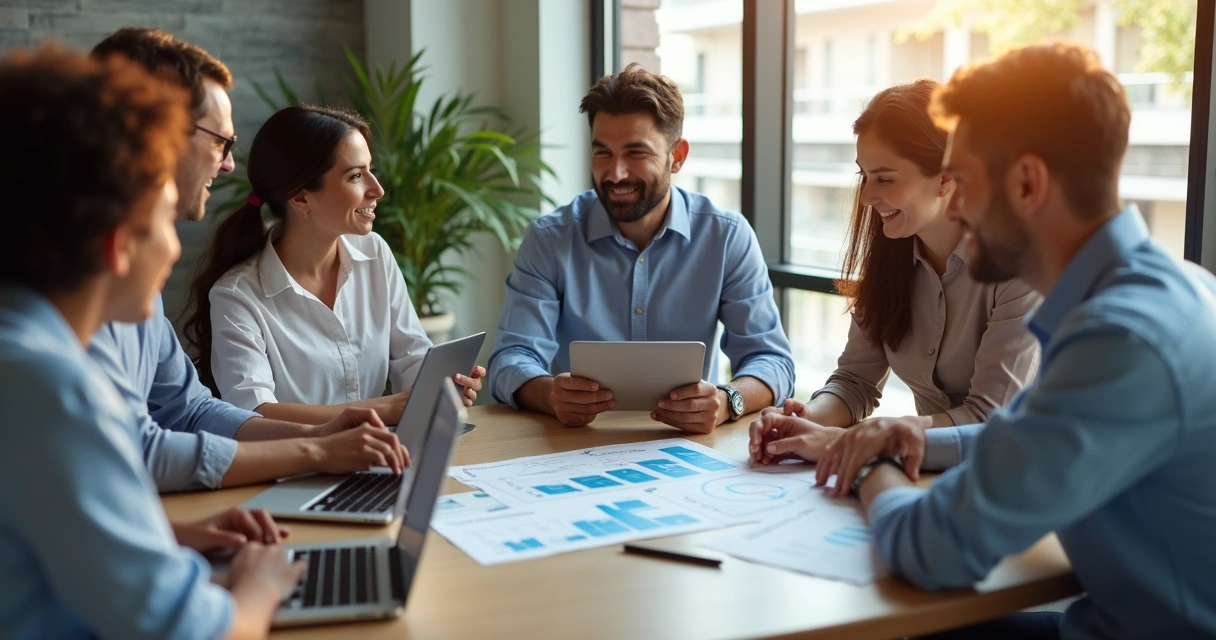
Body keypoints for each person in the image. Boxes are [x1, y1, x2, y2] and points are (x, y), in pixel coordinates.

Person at [757, 43, 1216, 638]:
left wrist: (873, 464)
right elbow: (1023, 438)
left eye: (965, 180)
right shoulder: (1165, 290)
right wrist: (894, 435)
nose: (958, 203)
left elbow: (930, 549)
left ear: (1027, 183)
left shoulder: (1120, 342)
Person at [0, 43, 303, 640]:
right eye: (163, 220)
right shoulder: (50, 385)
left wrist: (159, 537)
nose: (173, 248)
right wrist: (261, 585)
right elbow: (190, 634)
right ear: (117, 244)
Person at [89, 28, 408, 493]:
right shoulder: (66, 286)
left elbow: (189, 410)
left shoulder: (139, 288)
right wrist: (314, 450)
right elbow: (134, 450)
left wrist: (320, 435)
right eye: (221, 142)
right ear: (159, 134)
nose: (229, 166)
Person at [488, 63, 795, 432]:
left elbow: (772, 361)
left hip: (690, 450)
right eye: (603, 153)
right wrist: (549, 394)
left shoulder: (726, 236)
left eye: (636, 153)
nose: (615, 173)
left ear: (677, 156)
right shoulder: (551, 239)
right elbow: (510, 359)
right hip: (573, 446)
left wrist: (728, 400)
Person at [749, 79, 1039, 466]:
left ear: (946, 177)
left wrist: (866, 441)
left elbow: (987, 420)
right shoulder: (892, 253)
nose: (867, 197)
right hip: (927, 474)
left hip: (1019, 480)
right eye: (864, 177)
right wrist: (804, 419)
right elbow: (855, 381)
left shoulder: (1019, 267)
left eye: (884, 179)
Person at [184, 104, 483, 425]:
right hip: (289, 469)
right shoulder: (237, 296)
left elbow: (412, 360)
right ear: (300, 199)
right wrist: (384, 408)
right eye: (356, 175)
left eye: (371, 170)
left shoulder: (375, 253)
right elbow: (254, 414)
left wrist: (441, 387)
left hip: (379, 457)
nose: (377, 190)